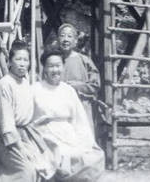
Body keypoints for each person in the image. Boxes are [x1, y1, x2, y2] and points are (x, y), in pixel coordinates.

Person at [0, 40, 54, 182]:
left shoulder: (26, 83)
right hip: (6, 140)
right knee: (27, 170)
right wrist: (22, 149)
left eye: (25, 60)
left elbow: (32, 115)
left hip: (25, 135)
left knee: (48, 164)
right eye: (18, 59)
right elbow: (7, 125)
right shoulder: (5, 84)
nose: (22, 63)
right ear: (10, 61)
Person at [33, 47, 105, 182]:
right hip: (44, 135)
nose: (55, 70)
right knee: (58, 156)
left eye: (58, 66)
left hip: (67, 134)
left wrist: (86, 141)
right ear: (44, 69)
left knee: (92, 156)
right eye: (51, 66)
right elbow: (28, 119)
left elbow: (80, 120)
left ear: (63, 67)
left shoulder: (68, 90)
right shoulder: (35, 89)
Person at [56, 23, 100, 128]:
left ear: (75, 41)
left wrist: (77, 86)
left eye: (69, 36)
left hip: (82, 108)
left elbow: (95, 85)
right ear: (58, 39)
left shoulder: (84, 60)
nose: (65, 39)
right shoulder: (53, 61)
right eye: (62, 36)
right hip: (59, 109)